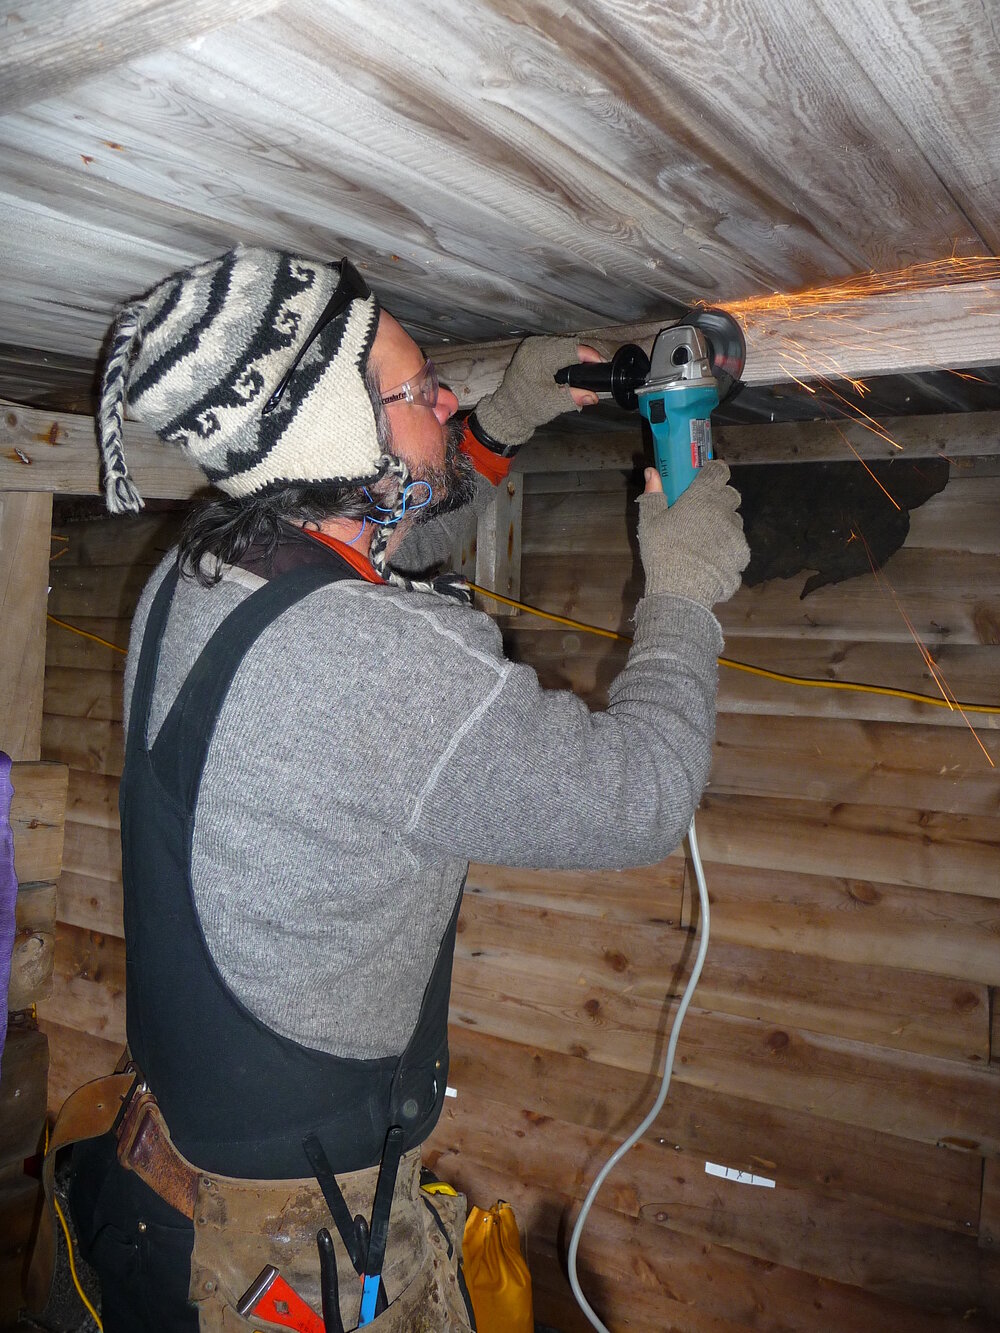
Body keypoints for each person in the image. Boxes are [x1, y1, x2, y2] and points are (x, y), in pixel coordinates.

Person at [65, 245, 748, 1331]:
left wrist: (497, 426)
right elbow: (641, 793)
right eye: (420, 388)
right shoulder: (382, 664)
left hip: (186, 1152)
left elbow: (383, 537)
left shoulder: (202, 563)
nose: (444, 393)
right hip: (291, 1233)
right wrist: (684, 584)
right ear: (337, 440)